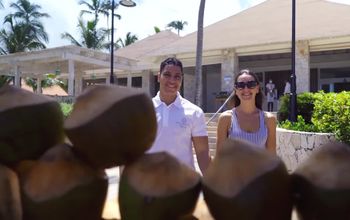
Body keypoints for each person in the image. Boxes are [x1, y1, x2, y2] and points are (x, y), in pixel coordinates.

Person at [147, 57, 211, 174]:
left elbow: (202, 154)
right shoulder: (143, 110)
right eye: (167, 75)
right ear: (158, 77)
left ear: (181, 80)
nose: (172, 80)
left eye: (177, 76)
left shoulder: (195, 112)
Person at [216, 69, 276, 154]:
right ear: (236, 90)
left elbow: (272, 156)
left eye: (251, 84)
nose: (246, 89)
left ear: (257, 88)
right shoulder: (226, 118)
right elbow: (220, 157)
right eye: (241, 85)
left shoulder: (269, 119)